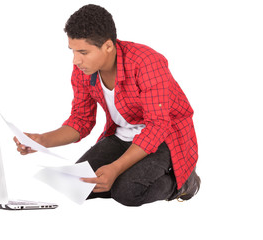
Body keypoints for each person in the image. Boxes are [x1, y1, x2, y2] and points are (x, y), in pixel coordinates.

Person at [14, 4, 200, 206]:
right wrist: (42, 140)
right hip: (123, 136)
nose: (76, 60)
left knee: (127, 192)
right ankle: (127, 178)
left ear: (108, 46)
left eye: (83, 52)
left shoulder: (147, 63)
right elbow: (80, 120)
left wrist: (116, 167)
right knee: (80, 186)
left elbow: (157, 126)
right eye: (73, 51)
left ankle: (185, 182)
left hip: (165, 138)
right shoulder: (84, 69)